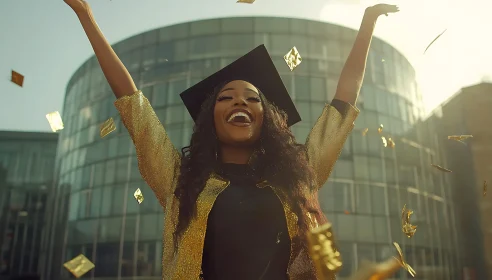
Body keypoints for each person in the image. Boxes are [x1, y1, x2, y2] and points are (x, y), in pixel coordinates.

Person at [63, 0, 400, 279]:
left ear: (267, 118)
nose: (241, 101)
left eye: (253, 98)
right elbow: (134, 106)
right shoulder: (181, 181)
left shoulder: (298, 176)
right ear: (210, 118)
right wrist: (86, 15)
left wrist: (368, 22)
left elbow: (343, 103)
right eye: (227, 97)